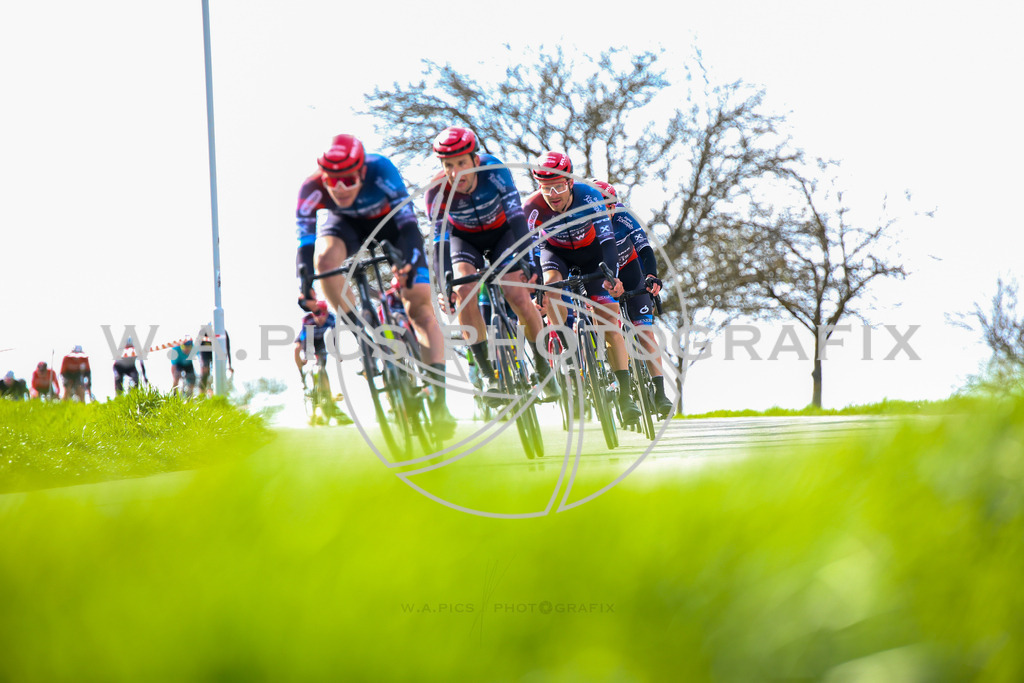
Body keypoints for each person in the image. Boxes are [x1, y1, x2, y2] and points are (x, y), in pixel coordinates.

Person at [294, 134, 454, 436]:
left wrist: (408, 261)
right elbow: (305, 240)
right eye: (333, 180)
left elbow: (408, 226)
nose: (340, 187)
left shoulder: (382, 170)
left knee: (419, 305)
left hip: (391, 226)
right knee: (324, 262)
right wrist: (305, 284)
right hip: (344, 227)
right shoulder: (311, 188)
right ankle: (362, 331)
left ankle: (439, 402)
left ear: (362, 172)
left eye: (348, 179)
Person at [424, 126, 558, 402]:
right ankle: (487, 374)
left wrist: (527, 260)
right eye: (448, 165)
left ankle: (543, 367)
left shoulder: (495, 171)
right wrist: (443, 283)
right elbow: (439, 243)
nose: (455, 171)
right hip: (465, 240)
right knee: (464, 293)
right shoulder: (436, 191)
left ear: (475, 160)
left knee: (518, 295)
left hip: (503, 234)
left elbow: (517, 219)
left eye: (461, 163)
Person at [522, 151, 641, 424]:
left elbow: (607, 239)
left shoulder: (590, 196)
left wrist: (610, 274)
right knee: (550, 288)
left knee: (610, 321)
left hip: (593, 254)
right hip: (555, 254)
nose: (552, 194)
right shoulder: (532, 207)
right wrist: (535, 286)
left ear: (570, 183)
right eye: (545, 187)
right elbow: (526, 250)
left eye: (558, 186)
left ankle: (625, 395)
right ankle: (568, 349)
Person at [590, 179, 674, 418]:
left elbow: (644, 248)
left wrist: (651, 276)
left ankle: (660, 394)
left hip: (629, 269)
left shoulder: (623, 217)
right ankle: (617, 382)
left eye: (610, 207)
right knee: (608, 326)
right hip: (600, 276)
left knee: (644, 332)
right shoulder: (581, 224)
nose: (606, 212)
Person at [294, 300, 351, 425]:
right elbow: (305, 339)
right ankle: (302, 377)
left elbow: (335, 337)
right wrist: (306, 356)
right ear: (313, 314)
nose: (321, 319)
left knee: (322, 366)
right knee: (296, 349)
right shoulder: (307, 320)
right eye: (317, 316)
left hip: (319, 341)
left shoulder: (331, 318)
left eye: (323, 315)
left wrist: (337, 353)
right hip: (306, 339)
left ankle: (326, 391)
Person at [197, 328, 233, 396]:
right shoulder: (204, 332)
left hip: (218, 351)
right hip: (205, 351)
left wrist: (229, 365)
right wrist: (203, 364)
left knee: (220, 370)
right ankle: (201, 395)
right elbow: (200, 349)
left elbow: (227, 349)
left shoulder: (223, 333)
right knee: (205, 370)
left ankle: (218, 394)